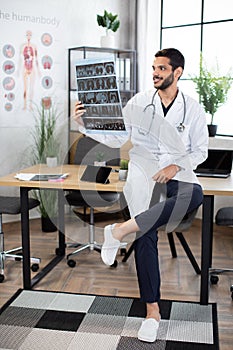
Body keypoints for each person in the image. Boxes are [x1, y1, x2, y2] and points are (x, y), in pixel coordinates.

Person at [73, 48, 209, 343]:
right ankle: (152, 313)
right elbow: (118, 137)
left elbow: (200, 150)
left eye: (161, 68)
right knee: (146, 231)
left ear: (178, 72)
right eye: (154, 68)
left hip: (178, 171)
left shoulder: (193, 108)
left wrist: (175, 165)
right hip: (143, 170)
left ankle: (119, 230)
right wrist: (83, 123)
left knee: (195, 194)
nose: (155, 73)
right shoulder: (138, 103)